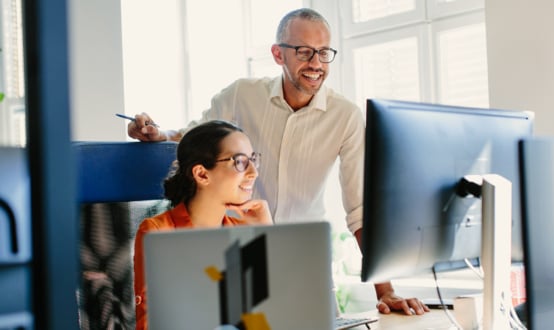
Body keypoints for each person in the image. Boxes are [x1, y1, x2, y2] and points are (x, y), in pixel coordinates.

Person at [127, 8, 429, 317]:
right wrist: (158, 133)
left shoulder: (346, 116)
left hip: (302, 267)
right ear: (277, 54)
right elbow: (197, 136)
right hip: (236, 259)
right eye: (304, 52)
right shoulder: (241, 95)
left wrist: (386, 290)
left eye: (324, 53)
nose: (316, 64)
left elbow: (360, 211)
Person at [132, 120, 272, 330]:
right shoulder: (159, 233)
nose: (254, 172)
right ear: (202, 174)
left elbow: (268, 316)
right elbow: (151, 324)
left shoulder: (242, 231)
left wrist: (266, 233)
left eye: (253, 160)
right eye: (240, 162)